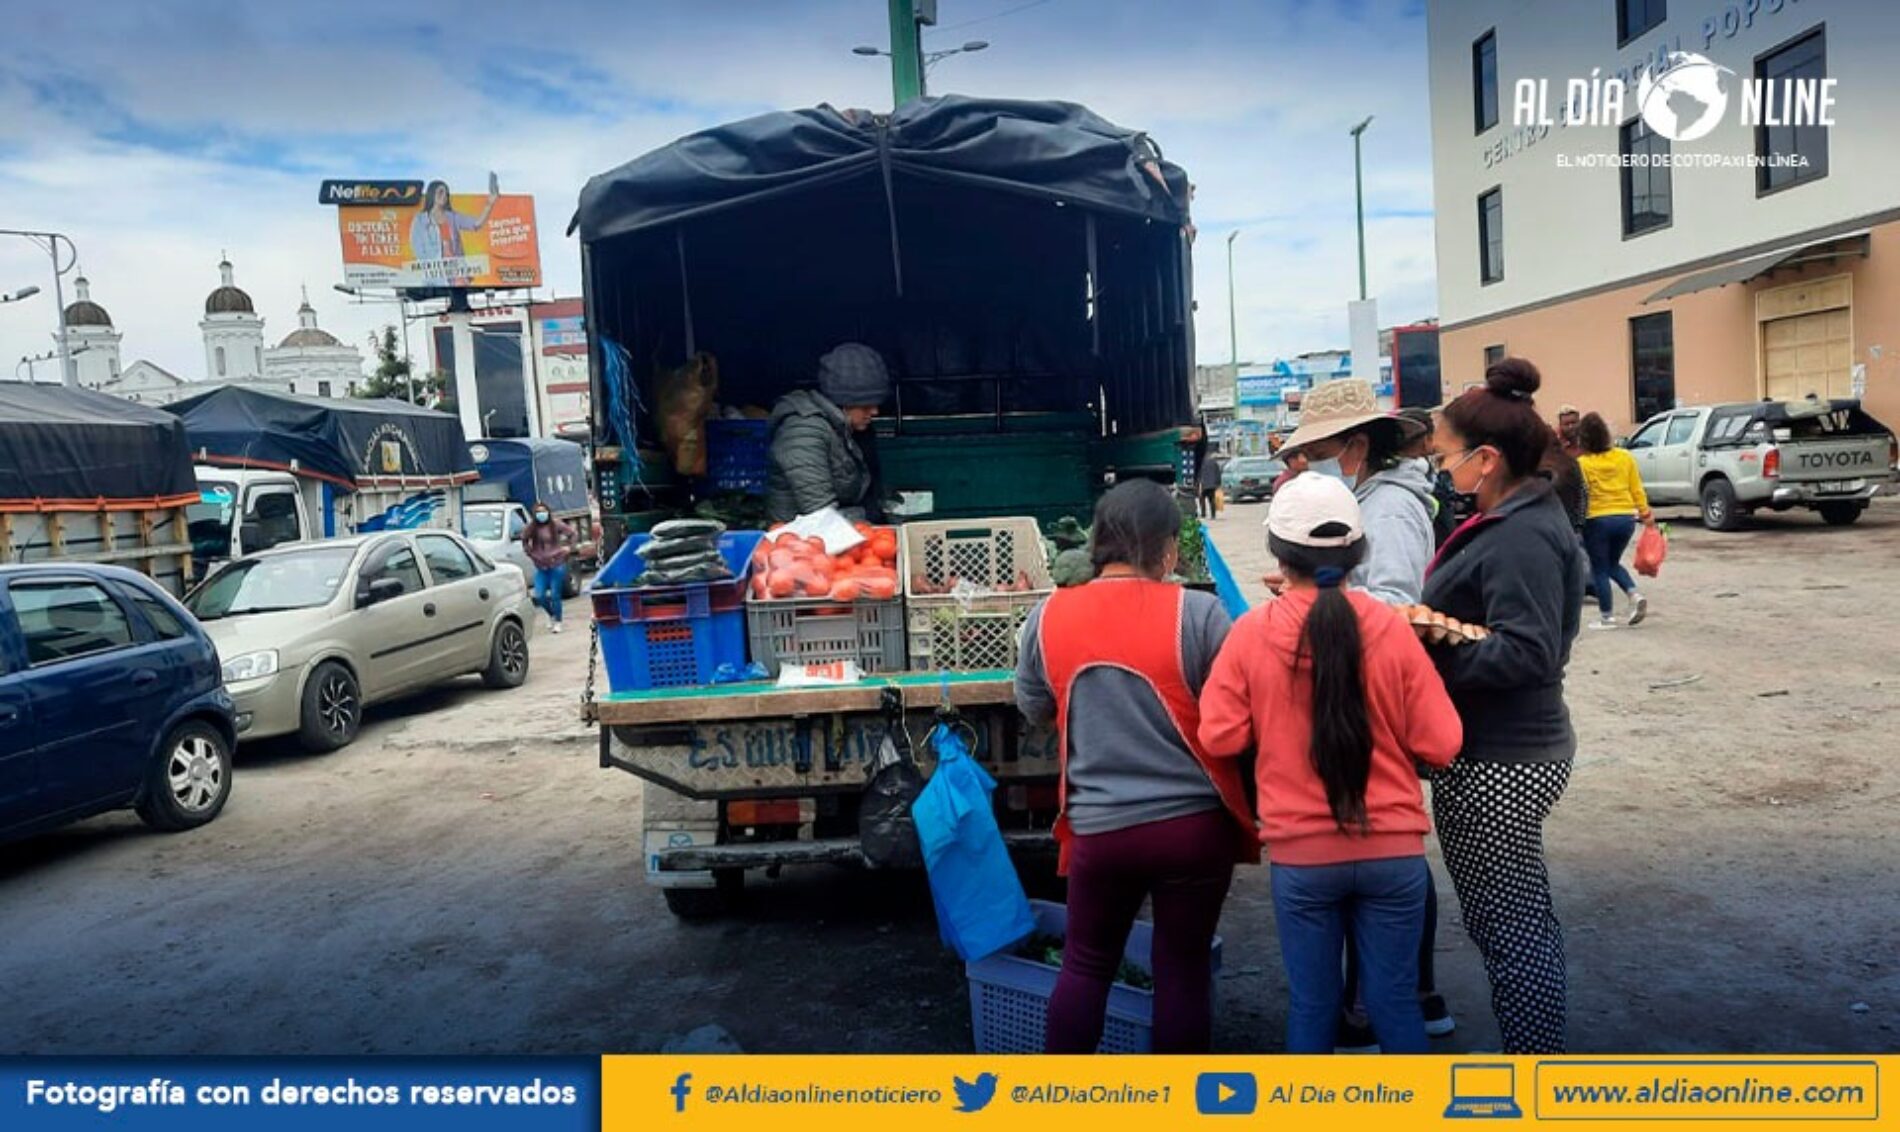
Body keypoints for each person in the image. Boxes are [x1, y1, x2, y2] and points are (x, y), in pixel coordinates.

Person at [1200, 474, 1463, 1054]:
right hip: (1394, 857)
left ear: (1278, 552)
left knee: (1313, 1008)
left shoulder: (1250, 636)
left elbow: (1219, 735)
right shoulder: (1392, 632)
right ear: (1358, 553)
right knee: (1395, 1005)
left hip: (1301, 859)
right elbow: (1442, 742)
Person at [1015, 479, 1256, 1054]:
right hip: (1195, 830)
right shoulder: (1198, 613)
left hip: (1102, 829)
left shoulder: (1048, 617)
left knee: (1086, 966)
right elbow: (1235, 712)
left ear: (1099, 543)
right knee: (1183, 969)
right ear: (1168, 549)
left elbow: (1033, 703)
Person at [1421, 357, 1586, 1055]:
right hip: (1505, 753)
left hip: (1500, 761)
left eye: (1446, 457)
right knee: (1514, 921)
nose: (1440, 470)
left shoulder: (1519, 534)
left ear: (1485, 459)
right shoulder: (1521, 513)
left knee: (1510, 930)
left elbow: (1528, 652)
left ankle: (1536, 1073)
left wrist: (1430, 648)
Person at [1278, 380, 1436, 606]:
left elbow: (1400, 602)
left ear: (1358, 446)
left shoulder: (1389, 510)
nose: (1311, 465)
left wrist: (1312, 596)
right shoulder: (1361, 501)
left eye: (1319, 455)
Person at [765, 343, 891, 524]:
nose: (875, 411)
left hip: (834, 531)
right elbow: (822, 516)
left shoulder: (846, 428)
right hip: (801, 541)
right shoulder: (803, 433)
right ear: (843, 402)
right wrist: (866, 516)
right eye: (866, 405)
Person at [1575, 411, 1655, 629]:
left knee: (1599, 568)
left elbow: (1582, 494)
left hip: (1597, 520)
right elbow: (1636, 487)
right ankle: (1634, 594)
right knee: (1612, 563)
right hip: (1625, 519)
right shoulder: (1625, 457)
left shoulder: (1582, 463)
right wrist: (1645, 513)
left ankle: (1607, 617)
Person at [409, 175, 501, 285]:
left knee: (460, 293)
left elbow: (476, 224)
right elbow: (417, 248)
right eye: (440, 192)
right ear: (432, 194)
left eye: (446, 194)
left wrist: (489, 203)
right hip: (435, 273)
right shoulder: (420, 220)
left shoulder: (453, 217)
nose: (444, 196)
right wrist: (433, 266)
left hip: (457, 271)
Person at [521, 502, 578, 634]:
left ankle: (558, 621)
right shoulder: (532, 527)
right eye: (539, 512)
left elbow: (572, 533)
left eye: (544, 511)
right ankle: (551, 614)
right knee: (540, 595)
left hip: (556, 564)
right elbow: (524, 539)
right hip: (541, 567)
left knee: (555, 594)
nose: (542, 514)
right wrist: (530, 553)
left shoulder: (555, 524)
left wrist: (569, 548)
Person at [1197, 449, 1225, 520]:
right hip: (1213, 485)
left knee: (1202, 499)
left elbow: (1198, 474)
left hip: (1204, 484)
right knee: (1212, 500)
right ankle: (1213, 515)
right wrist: (1218, 484)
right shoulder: (1214, 462)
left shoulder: (1200, 463)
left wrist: (1198, 483)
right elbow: (1218, 473)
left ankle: (1203, 514)